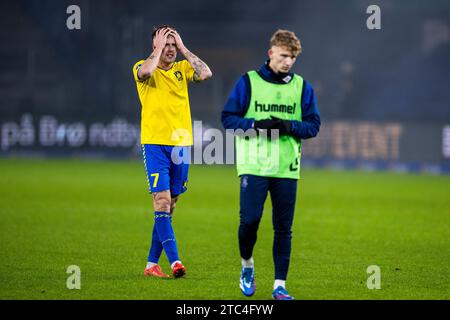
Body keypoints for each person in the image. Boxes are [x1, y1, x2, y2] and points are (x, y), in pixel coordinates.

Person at [221, 29, 320, 299]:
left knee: (283, 228)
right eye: (284, 55)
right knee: (250, 221)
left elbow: (313, 127)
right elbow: (228, 119)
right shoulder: (248, 82)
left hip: (287, 168)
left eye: (293, 57)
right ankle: (247, 265)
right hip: (253, 165)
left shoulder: (302, 87)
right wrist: (254, 125)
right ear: (270, 53)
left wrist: (289, 125)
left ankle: (279, 285)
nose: (288, 62)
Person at [132, 26, 212, 278]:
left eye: (172, 45)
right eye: (165, 44)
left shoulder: (182, 69)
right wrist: (156, 50)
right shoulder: (142, 68)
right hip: (155, 144)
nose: (169, 50)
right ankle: (175, 261)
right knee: (162, 201)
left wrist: (183, 47)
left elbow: (206, 73)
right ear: (155, 45)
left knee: (171, 205)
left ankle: (151, 264)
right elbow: (146, 71)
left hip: (181, 145)